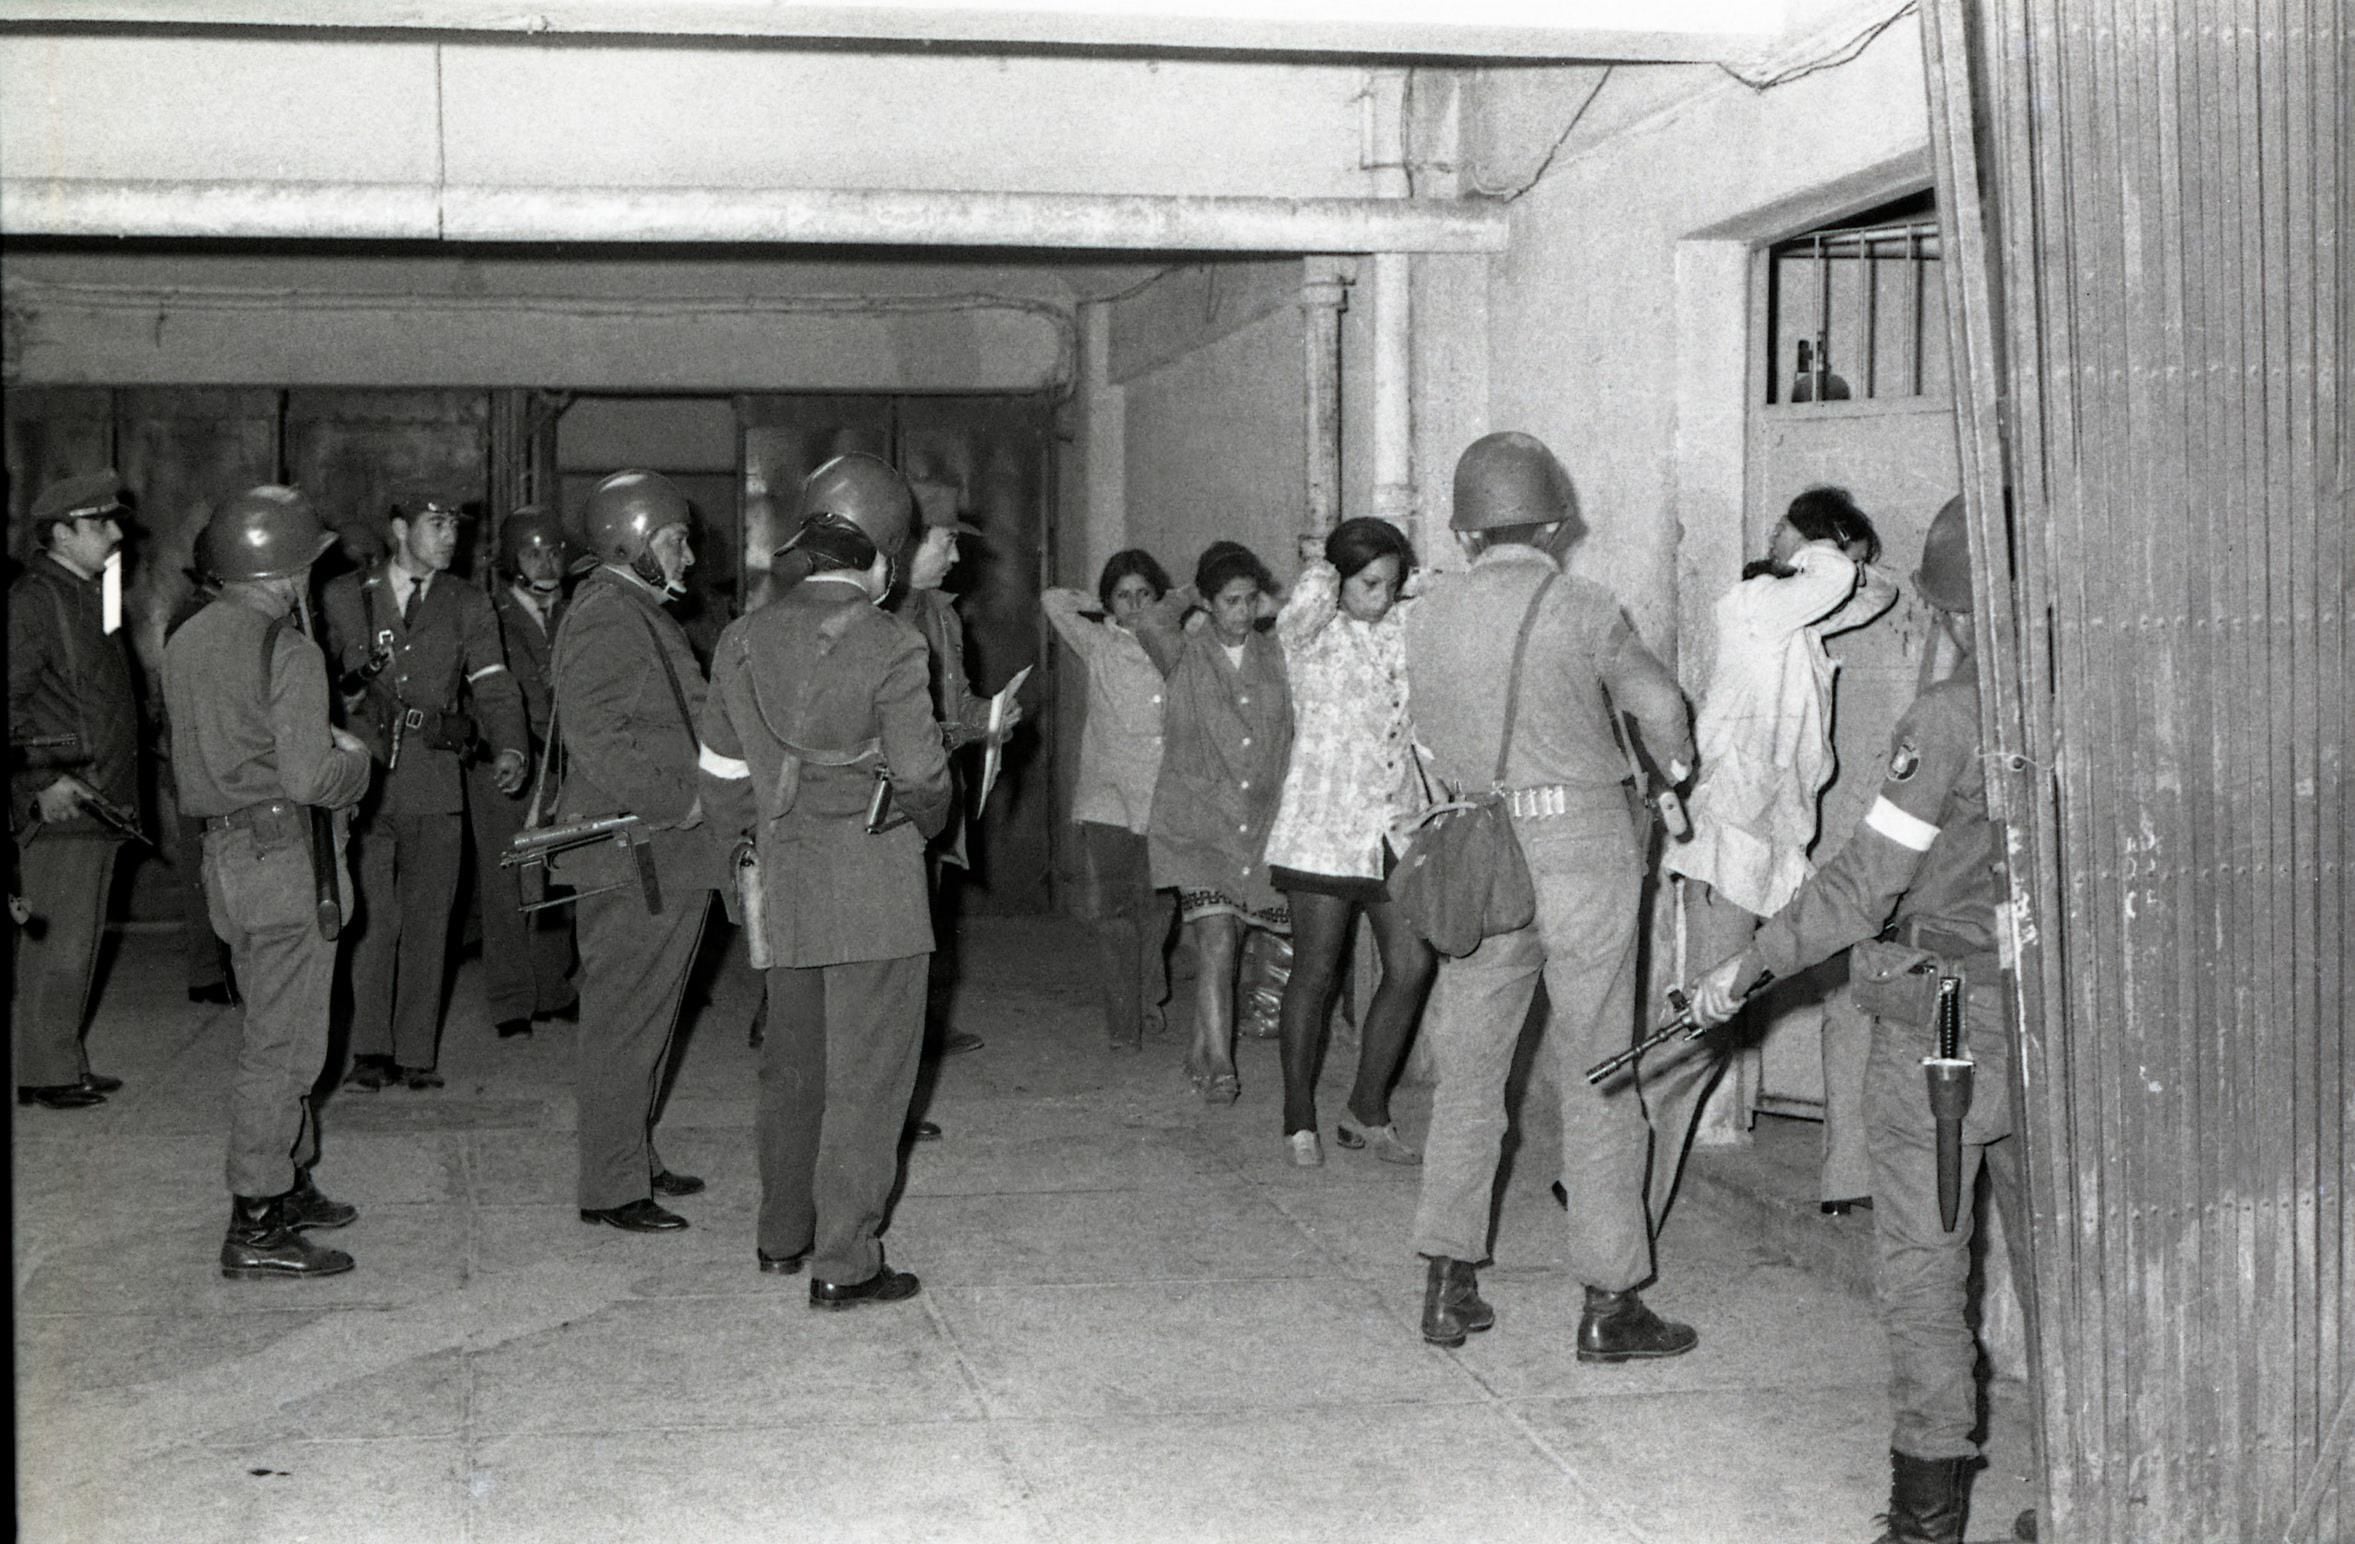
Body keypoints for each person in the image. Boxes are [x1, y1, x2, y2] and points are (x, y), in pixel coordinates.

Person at [1690, 495, 2027, 1544]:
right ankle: (2086, 1491)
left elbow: (1861, 887)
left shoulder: (1946, 719)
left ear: (1951, 608)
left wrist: (1750, 961)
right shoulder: (2088, 698)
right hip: (2054, 1029)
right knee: (2066, 1263)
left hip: (1944, 1034)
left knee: (1926, 1270)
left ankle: (1928, 1521)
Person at [1402, 431, 1696, 1357]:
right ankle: (1609, 1304)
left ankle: (1447, 1282)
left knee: (1471, 1073)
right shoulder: (1584, 605)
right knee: (1601, 1067)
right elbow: (1658, 705)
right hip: (1580, 852)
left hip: (1480, 853)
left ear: (1462, 531)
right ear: (1557, 524)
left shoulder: (1427, 616)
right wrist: (1673, 771)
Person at [698, 451, 951, 1307]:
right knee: (870, 1079)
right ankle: (847, 1263)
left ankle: (781, 1236)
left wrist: (751, 850)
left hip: (783, 882)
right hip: (875, 887)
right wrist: (934, 820)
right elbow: (921, 776)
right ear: (880, 551)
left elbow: (719, 769)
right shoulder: (893, 643)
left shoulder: (740, 637)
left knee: (792, 1068)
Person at [1652, 485, 1900, 1220]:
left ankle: (1847, 1180)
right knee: (1703, 1027)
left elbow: (1868, 592)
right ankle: (1617, 1178)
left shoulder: (1798, 630)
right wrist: (1813, 541)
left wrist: (1844, 553)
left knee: (1856, 984)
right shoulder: (1752, 604)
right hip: (1730, 844)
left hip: (1780, 854)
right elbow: (1835, 578)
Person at [164, 485, 374, 1278]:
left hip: (225, 860)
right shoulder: (287, 649)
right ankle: (256, 1220)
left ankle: (287, 1181)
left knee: (274, 1025)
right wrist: (355, 762)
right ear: (285, 571)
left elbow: (223, 741)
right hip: (286, 862)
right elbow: (312, 774)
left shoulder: (188, 639)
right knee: (283, 1050)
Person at [551, 470, 719, 1233]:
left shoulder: (635, 612)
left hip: (662, 855)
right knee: (623, 1018)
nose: (687, 556)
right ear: (632, 539)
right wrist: (680, 800)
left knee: (650, 1015)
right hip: (637, 853)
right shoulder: (605, 618)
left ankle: (631, 1154)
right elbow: (598, 741)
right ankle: (612, 1185)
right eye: (675, 540)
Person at [323, 485, 528, 1090]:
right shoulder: (342, 598)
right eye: (436, 524)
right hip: (361, 780)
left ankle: (415, 1052)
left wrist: (511, 744)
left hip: (437, 778)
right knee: (371, 920)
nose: (450, 537)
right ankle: (369, 1049)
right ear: (398, 529)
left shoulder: (469, 603)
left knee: (428, 919)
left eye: (454, 526)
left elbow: (493, 683)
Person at [1263, 517, 1435, 1168]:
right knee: (1317, 969)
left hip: (1392, 823)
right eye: (1368, 582)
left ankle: (1366, 1110)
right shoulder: (1309, 631)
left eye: (1390, 583)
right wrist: (1324, 567)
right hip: (1322, 823)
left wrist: (1421, 585)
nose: (1381, 595)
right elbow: (1306, 603)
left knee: (1411, 964)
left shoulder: (1400, 628)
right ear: (1340, 580)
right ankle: (1297, 1118)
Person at [1141, 540, 1292, 1105]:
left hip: (1256, 826)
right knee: (1218, 941)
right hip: (1198, 825)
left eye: (1251, 600)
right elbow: (1153, 615)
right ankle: (1223, 1064)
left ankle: (1203, 1048)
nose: (1243, 612)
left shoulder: (1275, 655)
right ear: (1207, 602)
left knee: (1241, 936)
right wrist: (1195, 585)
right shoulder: (1180, 652)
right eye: (1230, 600)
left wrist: (1258, 597)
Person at [10, 470, 138, 1110]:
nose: (116, 534)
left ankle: (57, 1058)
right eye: (99, 524)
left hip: (100, 797)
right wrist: (42, 779)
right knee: (58, 944)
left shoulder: (88, 593)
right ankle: (44, 1071)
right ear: (60, 533)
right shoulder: (36, 600)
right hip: (65, 799)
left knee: (77, 939)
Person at [892, 485, 1022, 1057]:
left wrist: (991, 716)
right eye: (946, 541)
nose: (956, 557)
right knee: (885, 941)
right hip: (888, 807)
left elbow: (955, 705)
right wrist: (959, 729)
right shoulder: (871, 619)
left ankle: (913, 1038)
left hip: (933, 798)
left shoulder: (941, 617)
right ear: (911, 542)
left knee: (920, 928)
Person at [1040, 550, 1175, 1052]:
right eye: (1124, 595)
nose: (1135, 604)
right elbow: (1052, 601)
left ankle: (1147, 999)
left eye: (1145, 594)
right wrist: (1098, 604)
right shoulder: (1096, 643)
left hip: (1162, 795)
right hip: (1108, 798)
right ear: (1109, 602)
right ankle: (1124, 1020)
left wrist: (1169, 607)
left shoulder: (1176, 646)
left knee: (1156, 910)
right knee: (1114, 911)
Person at [466, 505, 577, 1040]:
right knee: (506, 879)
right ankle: (511, 999)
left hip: (563, 760)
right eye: (534, 552)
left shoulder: (574, 613)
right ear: (511, 559)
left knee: (558, 874)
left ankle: (554, 987)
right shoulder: (488, 614)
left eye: (554, 549)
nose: (547, 562)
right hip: (506, 758)